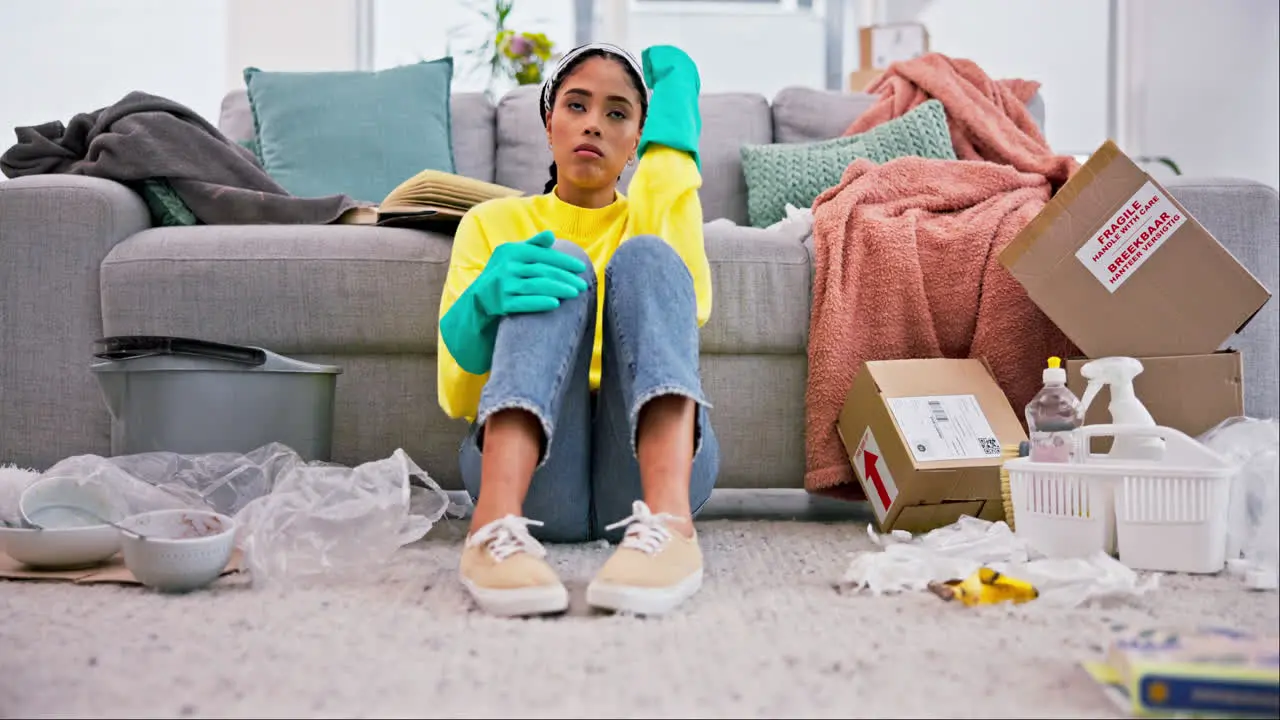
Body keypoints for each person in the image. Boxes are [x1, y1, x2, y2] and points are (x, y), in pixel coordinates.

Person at [436, 42, 717, 618]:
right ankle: (492, 532)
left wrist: (674, 136)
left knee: (649, 256)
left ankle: (671, 531)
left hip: (644, 471)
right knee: (553, 259)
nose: (594, 124)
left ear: (638, 137)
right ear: (548, 122)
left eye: (618, 113)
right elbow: (457, 396)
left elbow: (692, 309)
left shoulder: (649, 215)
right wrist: (481, 309)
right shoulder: (493, 223)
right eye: (576, 105)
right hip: (532, 477)